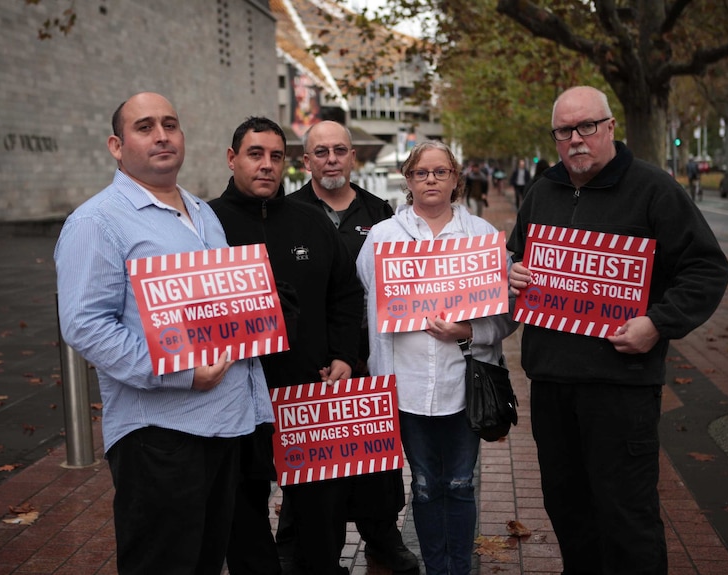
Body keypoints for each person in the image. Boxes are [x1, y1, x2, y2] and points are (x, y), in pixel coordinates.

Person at [507, 86, 728, 575]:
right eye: (565, 131)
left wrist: (657, 323)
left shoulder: (654, 189)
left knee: (627, 514)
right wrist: (512, 273)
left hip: (621, 386)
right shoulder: (542, 191)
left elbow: (706, 269)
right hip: (552, 385)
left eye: (587, 126)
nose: (576, 139)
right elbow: (517, 257)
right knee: (567, 507)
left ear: (610, 128)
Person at [54, 92, 274, 575]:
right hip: (160, 435)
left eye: (170, 125)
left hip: (225, 425)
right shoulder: (97, 222)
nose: (161, 136)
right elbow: (86, 326)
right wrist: (180, 373)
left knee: (204, 561)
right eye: (145, 126)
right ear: (117, 145)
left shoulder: (202, 212)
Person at [210, 116, 364, 575]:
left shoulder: (312, 222)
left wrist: (343, 355)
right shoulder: (205, 224)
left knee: (321, 505)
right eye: (255, 154)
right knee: (242, 504)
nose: (266, 165)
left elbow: (346, 293)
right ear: (232, 158)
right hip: (235, 394)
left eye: (276, 156)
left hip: (308, 390)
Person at [356, 140, 518, 575]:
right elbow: (371, 315)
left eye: (440, 172)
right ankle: (435, 567)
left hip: (462, 388)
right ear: (408, 180)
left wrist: (470, 331)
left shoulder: (482, 237)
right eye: (421, 172)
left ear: (455, 179)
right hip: (406, 390)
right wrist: (380, 383)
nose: (431, 179)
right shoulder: (383, 238)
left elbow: (507, 317)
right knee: (425, 487)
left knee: (461, 485)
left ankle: (458, 569)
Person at [290, 120, 419, 572]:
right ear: (305, 161)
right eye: (320, 152)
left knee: (378, 466)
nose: (331, 160)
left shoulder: (380, 212)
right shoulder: (287, 213)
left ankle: (383, 537)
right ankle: (301, 545)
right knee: (308, 464)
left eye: (339, 151)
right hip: (307, 367)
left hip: (367, 361)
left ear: (352, 157)